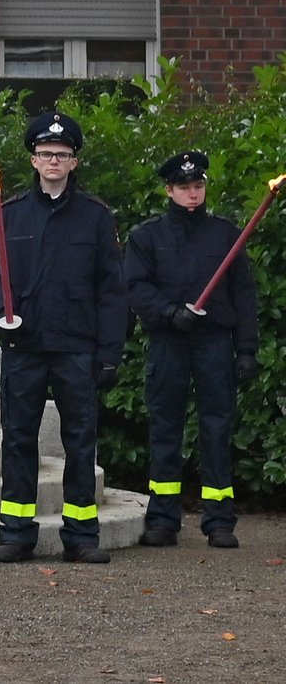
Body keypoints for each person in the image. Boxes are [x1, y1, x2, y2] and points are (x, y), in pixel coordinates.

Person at [0, 111, 125, 564]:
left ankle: (80, 535)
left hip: (77, 347)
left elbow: (112, 291)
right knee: (18, 438)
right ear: (34, 161)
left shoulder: (96, 219)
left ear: (74, 162)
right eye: (45, 154)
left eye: (62, 154)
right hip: (25, 347)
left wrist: (109, 354)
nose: (53, 161)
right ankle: (17, 532)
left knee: (80, 441)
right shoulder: (10, 213)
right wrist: (2, 315)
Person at [124, 150, 258, 550]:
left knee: (216, 428)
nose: (192, 193)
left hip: (215, 341)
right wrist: (168, 312)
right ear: (169, 190)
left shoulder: (226, 234)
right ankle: (164, 518)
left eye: (198, 185)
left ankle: (219, 520)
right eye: (184, 187)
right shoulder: (146, 236)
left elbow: (244, 293)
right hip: (169, 341)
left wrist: (247, 349)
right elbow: (136, 287)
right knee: (165, 428)